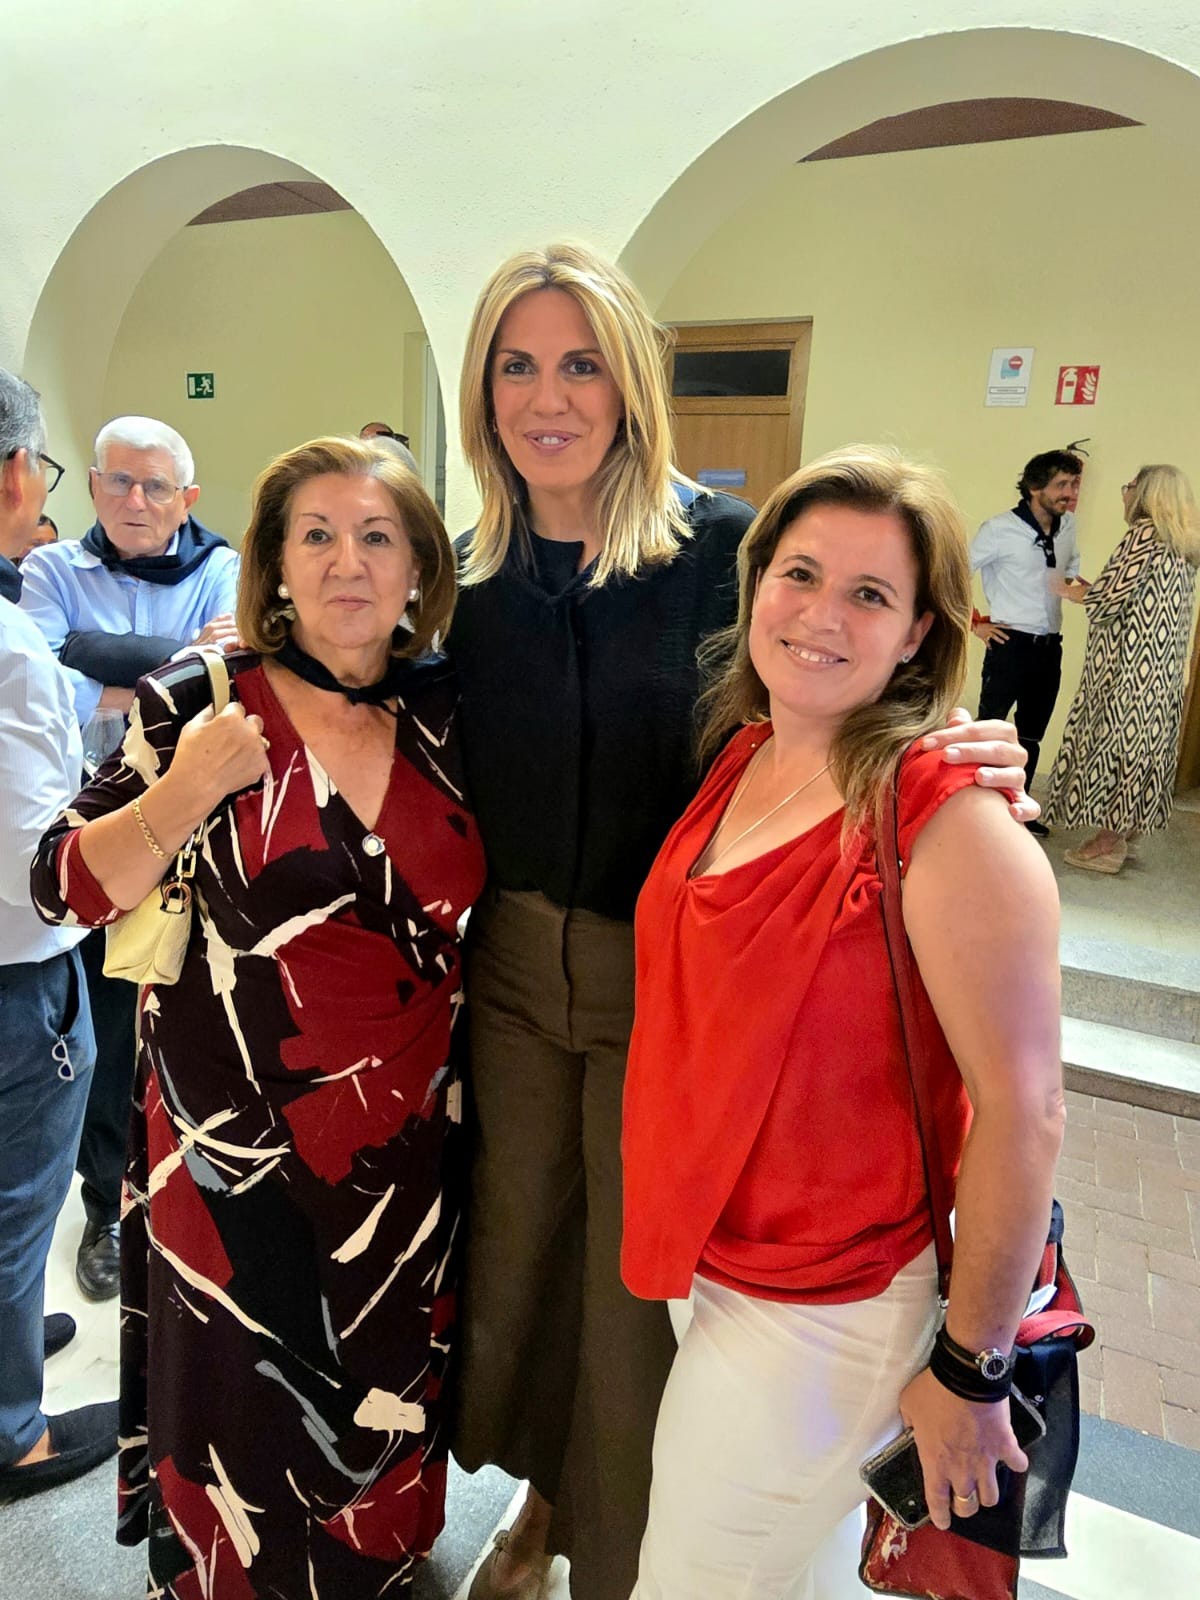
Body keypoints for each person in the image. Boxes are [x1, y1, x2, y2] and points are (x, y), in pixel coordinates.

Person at [444, 243, 1037, 1600]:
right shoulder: (462, 577)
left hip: (681, 979)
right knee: (524, 1250)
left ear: (634, 382)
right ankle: (546, 1502)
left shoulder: (726, 556)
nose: (550, 396)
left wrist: (958, 750)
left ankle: (633, 1543)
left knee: (634, 1291)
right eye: (518, 365)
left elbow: (844, 665)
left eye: (582, 362)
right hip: (516, 973)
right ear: (481, 392)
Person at [30, 437, 484, 1597]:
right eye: (317, 535)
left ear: (421, 569)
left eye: (378, 537)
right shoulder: (202, 700)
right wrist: (187, 788)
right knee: (238, 1417)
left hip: (405, 1153)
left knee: (380, 1398)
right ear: (273, 564)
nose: (347, 563)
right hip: (229, 1155)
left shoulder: (453, 715)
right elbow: (58, 885)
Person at [621, 446, 1065, 1599]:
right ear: (756, 581)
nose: (822, 614)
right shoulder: (748, 754)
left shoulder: (946, 814)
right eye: (801, 574)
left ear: (921, 630)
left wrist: (971, 1372)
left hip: (830, 1305)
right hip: (720, 1265)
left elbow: (1028, 1111)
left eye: (870, 594)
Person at [20, 415, 240, 1301]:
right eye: (118, 481)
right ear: (93, 487)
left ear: (188, 498)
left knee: (193, 1025)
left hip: (193, 834)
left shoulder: (222, 569)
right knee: (107, 1038)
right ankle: (107, 1211)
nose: (136, 501)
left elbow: (225, 675)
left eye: (155, 487)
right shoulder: (47, 571)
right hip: (90, 838)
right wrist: (170, 669)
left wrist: (94, 665)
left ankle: (202, 1201)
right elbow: (37, 677)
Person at [0, 368, 114, 1504]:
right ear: (13, 474)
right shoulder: (14, 644)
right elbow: (43, 871)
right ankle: (10, 1430)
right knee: (18, 1198)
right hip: (14, 979)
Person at [1045, 463, 1200, 873]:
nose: (1124, 493)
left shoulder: (1144, 535)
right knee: (1144, 749)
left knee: (1118, 747)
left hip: (1129, 670)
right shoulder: (1183, 544)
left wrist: (1066, 589)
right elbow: (1136, 598)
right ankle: (1125, 831)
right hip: (1160, 671)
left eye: (1130, 485)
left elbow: (1108, 603)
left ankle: (1107, 844)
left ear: (1148, 494)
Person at [970, 448, 1086, 831]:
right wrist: (975, 623)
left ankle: (1017, 809)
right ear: (1035, 488)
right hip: (1009, 643)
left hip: (1049, 647)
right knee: (990, 727)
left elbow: (1069, 570)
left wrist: (1077, 587)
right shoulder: (999, 529)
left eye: (1073, 484)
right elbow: (950, 574)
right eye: (1061, 485)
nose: (1070, 493)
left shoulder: (1068, 528)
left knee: (1031, 734)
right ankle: (975, 812)